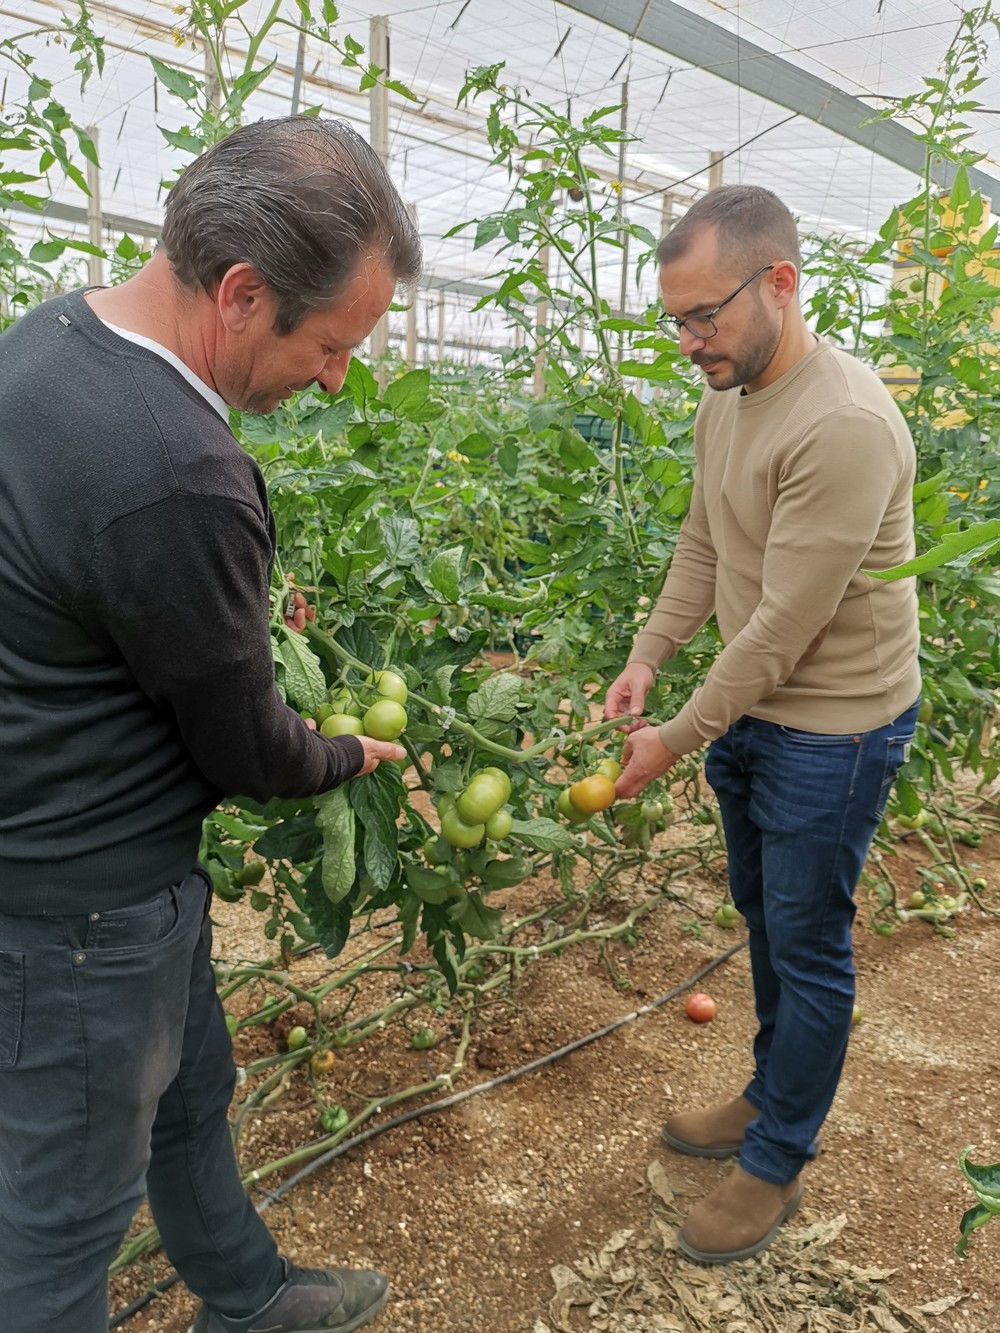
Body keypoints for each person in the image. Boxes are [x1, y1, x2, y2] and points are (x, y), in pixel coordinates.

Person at [0, 116, 421, 1333]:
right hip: (82, 912)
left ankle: (247, 1297)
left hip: (78, 857)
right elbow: (247, 750)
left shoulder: (49, 340)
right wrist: (346, 751)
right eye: (332, 344)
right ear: (243, 293)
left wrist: (220, 611)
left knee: (189, 1099)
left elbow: (93, 585)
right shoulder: (178, 467)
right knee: (63, 1219)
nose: (337, 377)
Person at [605, 184, 920, 1265]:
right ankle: (766, 1091)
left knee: (809, 938)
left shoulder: (842, 423)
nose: (690, 340)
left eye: (707, 315)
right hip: (752, 711)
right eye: (676, 318)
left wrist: (675, 736)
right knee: (764, 915)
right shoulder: (723, 396)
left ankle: (778, 1152)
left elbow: (784, 628)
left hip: (830, 728)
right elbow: (704, 545)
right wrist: (649, 656)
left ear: (781, 283)